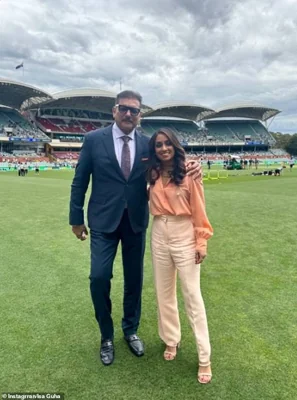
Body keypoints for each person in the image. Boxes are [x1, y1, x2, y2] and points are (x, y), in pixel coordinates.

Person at [69, 90, 202, 367]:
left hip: (136, 222)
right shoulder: (94, 140)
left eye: (134, 110)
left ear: (140, 115)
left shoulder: (147, 144)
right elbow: (80, 180)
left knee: (134, 280)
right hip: (103, 222)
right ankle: (106, 336)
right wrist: (76, 218)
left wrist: (192, 165)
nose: (129, 114)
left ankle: (130, 330)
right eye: (124, 109)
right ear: (114, 111)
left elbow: (170, 160)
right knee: (99, 277)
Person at [147, 128, 213, 384]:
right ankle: (171, 339)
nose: (163, 148)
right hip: (159, 233)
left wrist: (201, 241)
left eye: (167, 144)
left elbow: (199, 208)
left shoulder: (189, 171)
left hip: (184, 231)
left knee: (192, 296)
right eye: (158, 145)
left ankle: (204, 357)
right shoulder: (151, 173)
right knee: (164, 293)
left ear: (175, 145)